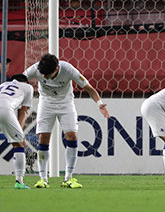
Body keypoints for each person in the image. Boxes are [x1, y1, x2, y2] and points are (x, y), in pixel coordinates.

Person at [24, 54, 110, 189]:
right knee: (43, 138)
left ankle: (68, 178)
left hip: (66, 104)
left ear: (56, 69)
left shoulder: (68, 69)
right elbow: (19, 80)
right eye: (42, 74)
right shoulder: (36, 69)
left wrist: (100, 103)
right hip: (46, 104)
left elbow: (88, 87)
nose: (44, 77)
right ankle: (43, 179)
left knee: (72, 136)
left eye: (47, 75)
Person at [0, 74, 34, 189]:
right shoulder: (28, 87)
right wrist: (20, 133)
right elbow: (23, 111)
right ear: (25, 81)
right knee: (18, 144)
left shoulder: (1, 85)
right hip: (4, 108)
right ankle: (19, 182)